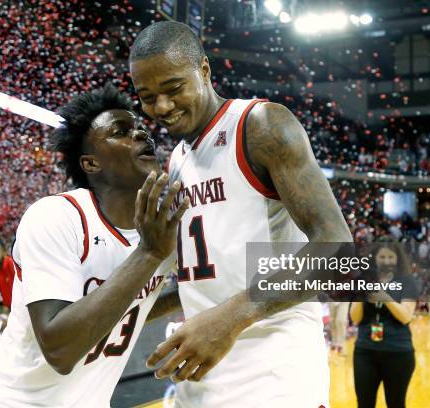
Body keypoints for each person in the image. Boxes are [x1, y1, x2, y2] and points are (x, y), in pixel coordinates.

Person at [130, 21, 351, 407]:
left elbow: (336, 246)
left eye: (173, 89)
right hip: (201, 374)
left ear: (204, 71)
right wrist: (130, 313)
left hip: (276, 376)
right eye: (147, 97)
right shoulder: (178, 161)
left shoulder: (261, 126)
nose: (161, 107)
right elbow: (206, 279)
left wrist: (230, 317)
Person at [0, 84, 189, 407]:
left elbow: (127, 306)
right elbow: (59, 349)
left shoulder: (163, 222)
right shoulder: (57, 217)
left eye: (140, 128)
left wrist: (196, 292)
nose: (143, 135)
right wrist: (150, 254)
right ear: (91, 164)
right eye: (120, 131)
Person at [349, 239, 418, 408]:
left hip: (398, 352)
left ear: (397, 259)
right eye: (382, 257)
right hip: (365, 352)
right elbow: (355, 319)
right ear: (374, 258)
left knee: (395, 403)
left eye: (390, 257)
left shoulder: (407, 282)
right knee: (364, 404)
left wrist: (384, 297)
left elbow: (406, 316)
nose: (386, 261)